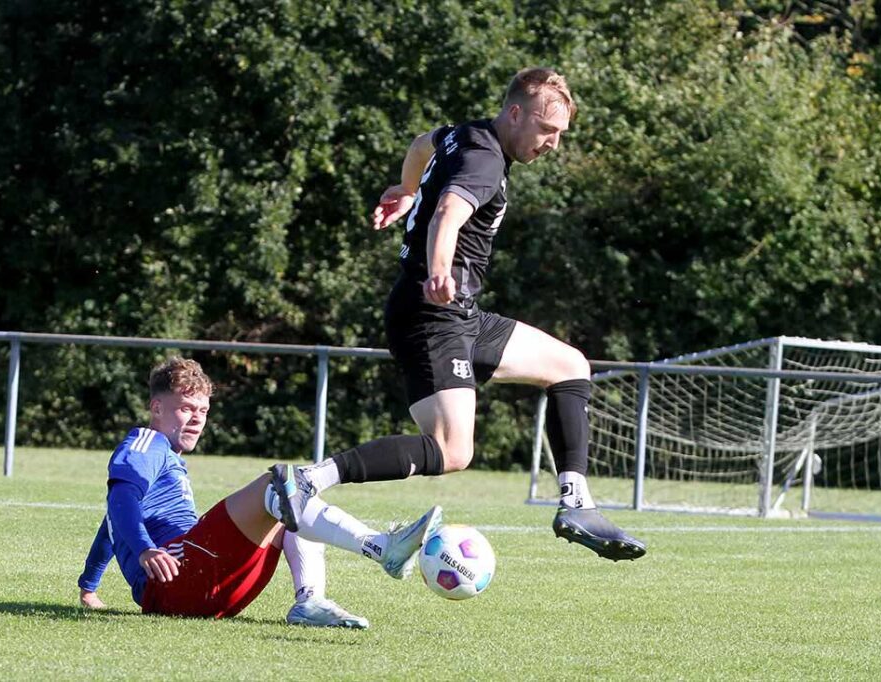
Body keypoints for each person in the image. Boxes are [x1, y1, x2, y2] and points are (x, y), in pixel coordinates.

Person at [271, 67, 645, 562]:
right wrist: (440, 269)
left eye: (561, 135)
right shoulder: (486, 161)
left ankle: (575, 502)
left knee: (570, 366)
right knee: (452, 450)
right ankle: (305, 482)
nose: (554, 144)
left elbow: (420, 144)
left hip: (460, 313)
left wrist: (405, 191)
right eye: (547, 130)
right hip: (431, 311)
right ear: (515, 113)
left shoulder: (463, 134)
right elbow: (450, 209)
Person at [76, 356, 441, 626]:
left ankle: (310, 601)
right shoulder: (146, 442)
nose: (197, 418)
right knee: (277, 485)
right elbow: (121, 499)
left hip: (207, 591)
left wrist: (88, 587)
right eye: (186, 408)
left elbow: (113, 519)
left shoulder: (163, 458)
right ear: (156, 407)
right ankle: (382, 548)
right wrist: (144, 550)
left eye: (203, 410)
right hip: (177, 578)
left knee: (290, 504)